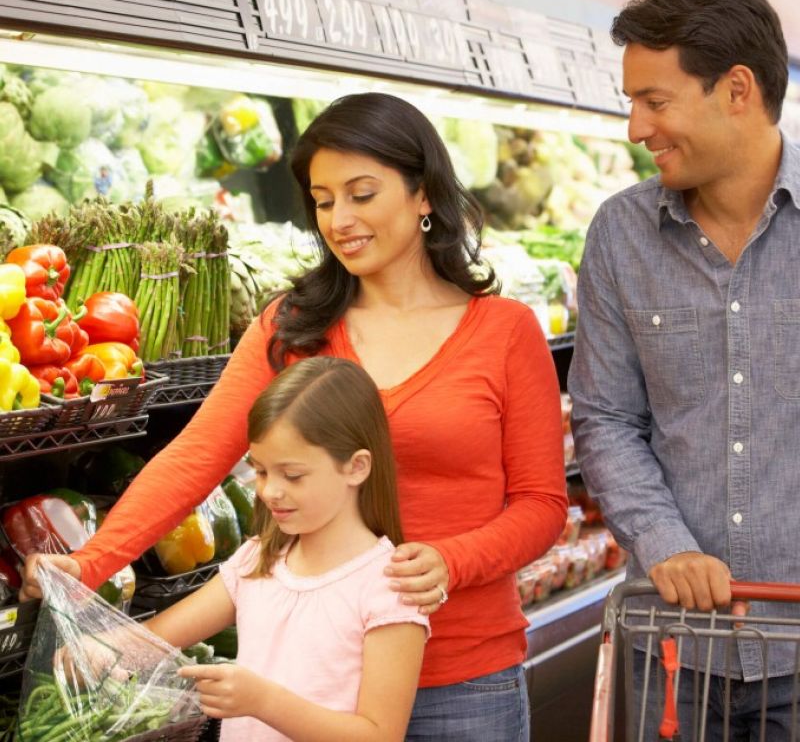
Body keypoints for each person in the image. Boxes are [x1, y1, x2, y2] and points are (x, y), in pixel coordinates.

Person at [23, 92, 567, 741]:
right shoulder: (292, 327)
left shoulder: (505, 332)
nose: (340, 219)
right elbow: (197, 458)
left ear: (424, 194)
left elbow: (541, 505)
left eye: (362, 194)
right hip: (310, 687)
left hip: (462, 683)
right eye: (324, 199)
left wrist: (453, 561)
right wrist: (90, 563)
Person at [568, 0, 799, 739]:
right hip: (671, 648)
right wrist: (664, 543)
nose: (636, 127)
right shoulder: (620, 235)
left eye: (655, 101)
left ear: (737, 89)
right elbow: (603, 418)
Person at [144, 357, 429, 741]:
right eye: (260, 471)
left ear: (357, 467)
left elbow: (379, 735)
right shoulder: (258, 560)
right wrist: (101, 648)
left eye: (292, 475)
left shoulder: (389, 587)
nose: (268, 492)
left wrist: (262, 701)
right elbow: (155, 638)